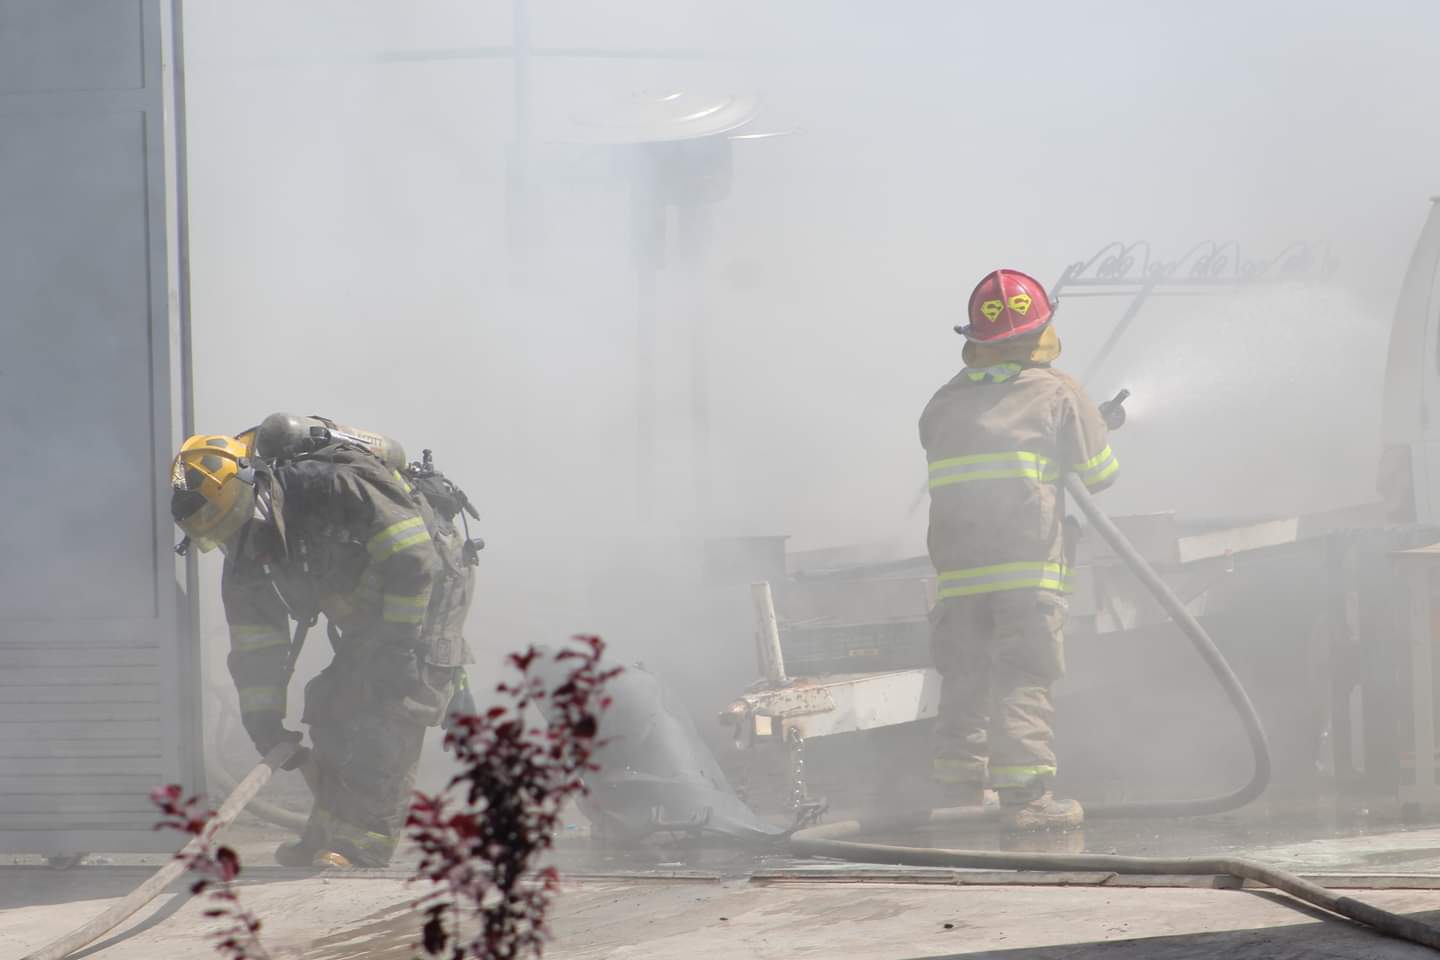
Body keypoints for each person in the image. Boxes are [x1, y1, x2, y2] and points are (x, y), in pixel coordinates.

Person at [169, 415, 478, 866]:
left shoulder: (331, 486)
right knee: (332, 706)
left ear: (242, 486)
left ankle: (364, 845)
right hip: (370, 606)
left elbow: (414, 561)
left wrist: (398, 648)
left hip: (430, 584)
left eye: (226, 515)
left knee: (393, 703)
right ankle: (327, 834)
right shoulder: (247, 546)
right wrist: (263, 718)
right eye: (212, 529)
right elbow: (256, 644)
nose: (227, 532)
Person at [919, 269, 1118, 831]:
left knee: (963, 676)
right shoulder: (1058, 392)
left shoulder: (942, 400)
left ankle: (961, 792)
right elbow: (1099, 475)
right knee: (1023, 676)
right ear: (1040, 334)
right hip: (1027, 572)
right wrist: (1094, 426)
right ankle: (1028, 799)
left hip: (957, 575)